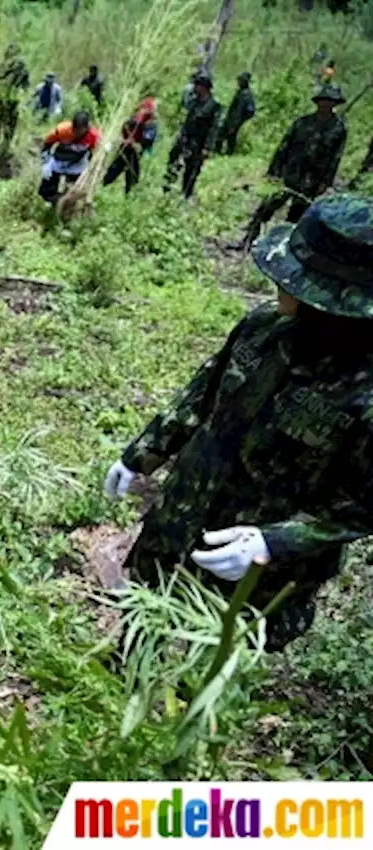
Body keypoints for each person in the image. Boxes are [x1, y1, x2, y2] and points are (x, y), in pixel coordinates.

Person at [104, 194, 373, 652]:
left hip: (253, 575)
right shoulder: (265, 327)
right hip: (181, 518)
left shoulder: (363, 394)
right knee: (143, 623)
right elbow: (203, 391)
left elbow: (362, 506)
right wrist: (142, 455)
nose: (279, 283)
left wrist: (275, 543)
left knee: (205, 669)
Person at [235, 85, 347, 250]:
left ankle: (280, 249)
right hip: (289, 174)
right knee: (265, 208)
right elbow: (284, 147)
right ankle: (247, 241)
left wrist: (326, 182)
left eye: (329, 102)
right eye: (323, 101)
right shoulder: (302, 122)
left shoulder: (338, 129)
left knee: (295, 219)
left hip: (311, 181)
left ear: (334, 104)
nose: (325, 105)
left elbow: (335, 158)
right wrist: (273, 171)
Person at [164, 72, 220, 199]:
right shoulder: (193, 101)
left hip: (199, 142)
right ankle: (166, 187)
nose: (194, 88)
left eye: (197, 85)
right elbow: (187, 120)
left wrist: (207, 147)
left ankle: (186, 194)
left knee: (192, 170)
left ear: (204, 87)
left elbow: (214, 128)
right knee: (173, 160)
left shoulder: (213, 105)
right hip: (185, 138)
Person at [39, 110, 101, 204]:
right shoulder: (61, 130)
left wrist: (90, 169)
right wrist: (45, 162)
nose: (76, 133)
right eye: (74, 129)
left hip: (78, 163)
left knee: (74, 192)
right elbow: (47, 144)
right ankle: (55, 201)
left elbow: (93, 153)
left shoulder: (94, 136)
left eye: (79, 130)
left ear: (86, 128)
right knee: (45, 191)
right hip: (59, 160)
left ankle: (68, 204)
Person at [103, 96, 158, 194]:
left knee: (130, 173)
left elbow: (147, 139)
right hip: (128, 148)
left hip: (135, 149)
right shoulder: (138, 119)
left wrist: (137, 144)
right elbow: (125, 128)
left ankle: (128, 192)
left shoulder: (149, 122)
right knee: (117, 168)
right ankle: (105, 184)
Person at [0, 43, 31, 163]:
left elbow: (25, 87)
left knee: (8, 132)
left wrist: (21, 102)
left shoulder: (21, 71)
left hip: (12, 104)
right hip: (0, 103)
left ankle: (2, 156)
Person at [216, 72, 256, 155]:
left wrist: (235, 123)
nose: (238, 82)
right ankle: (221, 152)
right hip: (232, 119)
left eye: (240, 80)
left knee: (230, 137)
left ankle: (228, 153)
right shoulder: (241, 92)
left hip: (236, 120)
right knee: (223, 135)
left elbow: (240, 110)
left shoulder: (245, 95)